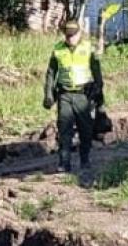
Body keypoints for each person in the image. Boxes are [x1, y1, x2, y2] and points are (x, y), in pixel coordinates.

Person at [43, 19, 104, 173]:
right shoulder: (58, 49)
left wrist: (99, 90)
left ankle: (85, 159)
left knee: (86, 129)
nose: (70, 38)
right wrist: (48, 94)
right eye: (67, 35)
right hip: (64, 94)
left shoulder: (88, 48)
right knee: (64, 128)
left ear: (79, 34)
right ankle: (64, 163)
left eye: (73, 35)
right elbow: (51, 73)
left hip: (83, 95)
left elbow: (96, 71)